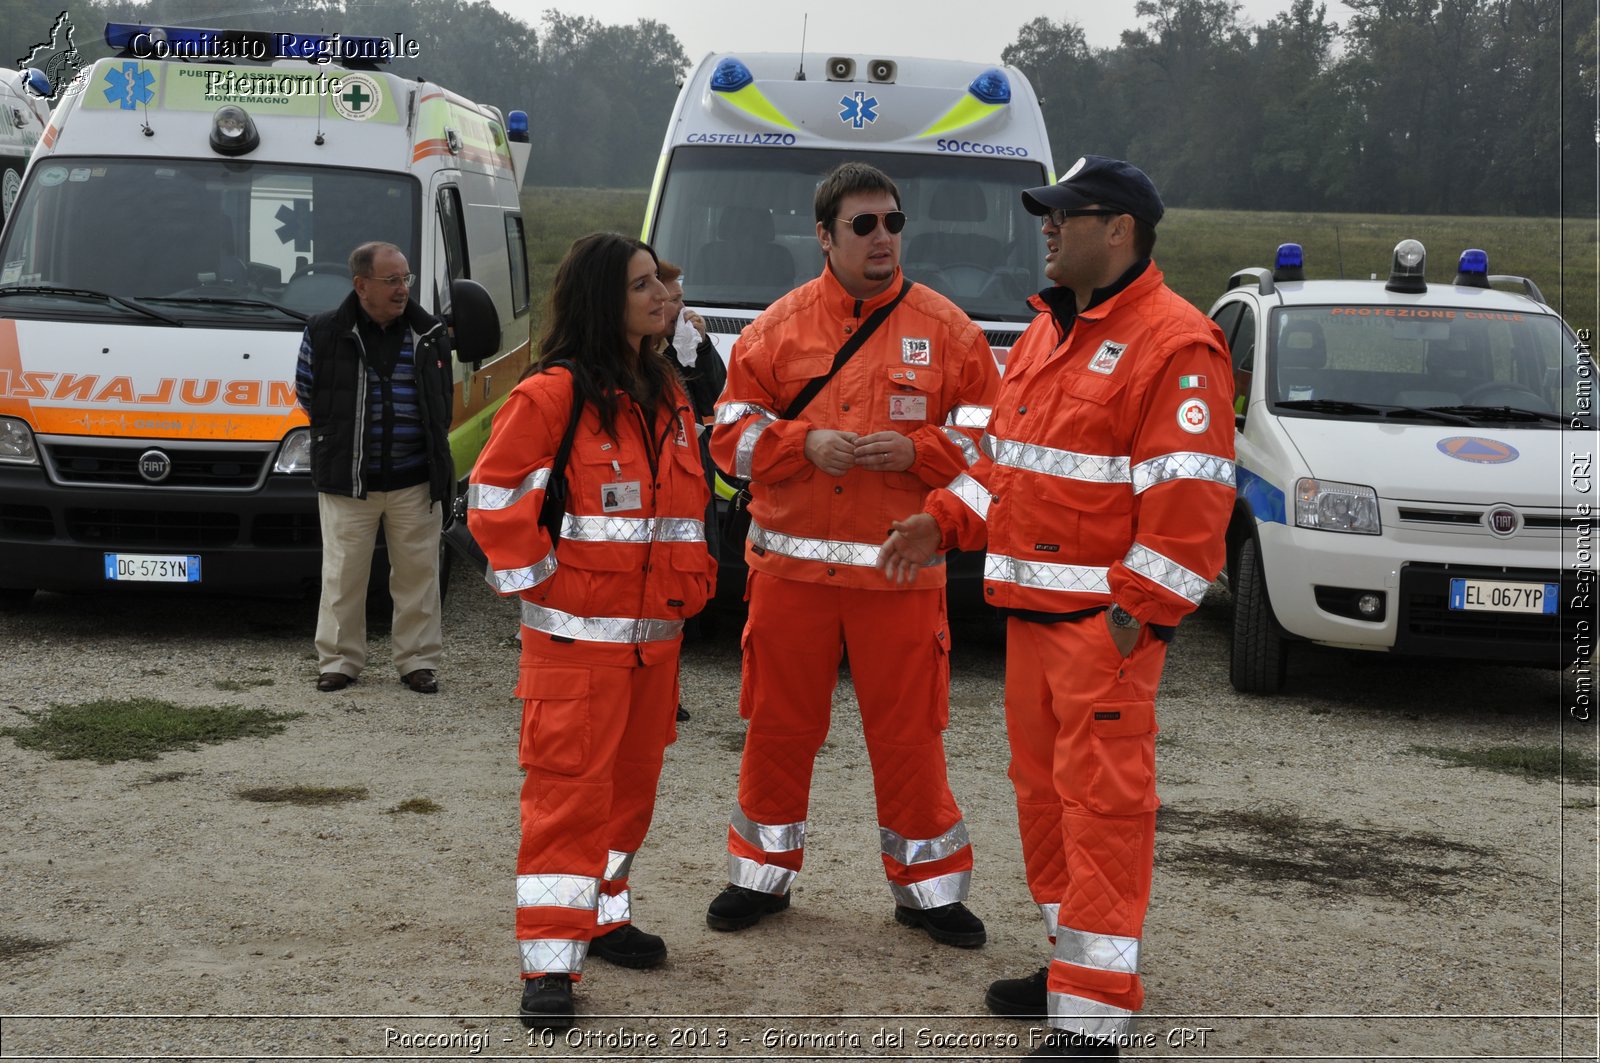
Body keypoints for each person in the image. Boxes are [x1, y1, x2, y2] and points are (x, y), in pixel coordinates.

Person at [878, 156, 1236, 1060]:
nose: (1046, 227)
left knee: (1104, 811)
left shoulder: (1176, 344)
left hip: (1098, 637)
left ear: (1118, 230)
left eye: (1064, 214)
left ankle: (1091, 1018)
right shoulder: (1046, 331)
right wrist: (943, 520)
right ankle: (1065, 963)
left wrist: (1132, 622)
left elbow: (1192, 510)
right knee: (1045, 805)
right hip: (1034, 629)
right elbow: (1009, 471)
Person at [706, 162, 1000, 947]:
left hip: (897, 577)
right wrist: (805, 443)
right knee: (776, 727)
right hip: (791, 578)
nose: (882, 238)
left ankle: (927, 891)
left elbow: (990, 445)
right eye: (864, 225)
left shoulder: (953, 333)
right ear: (824, 237)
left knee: (908, 735)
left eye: (893, 223)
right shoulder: (775, 329)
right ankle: (760, 878)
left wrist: (915, 452)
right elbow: (727, 437)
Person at [466, 233, 716, 1030]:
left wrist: (694, 583)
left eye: (661, 284)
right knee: (567, 802)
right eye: (642, 284)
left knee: (628, 796)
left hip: (654, 647)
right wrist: (545, 585)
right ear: (604, 298)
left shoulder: (668, 390)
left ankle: (603, 916)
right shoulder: (550, 395)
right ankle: (549, 962)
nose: (660, 296)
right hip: (576, 649)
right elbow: (493, 502)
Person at [294, 241, 453, 695]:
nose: (403, 289)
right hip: (349, 479)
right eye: (392, 280)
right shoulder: (324, 331)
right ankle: (340, 662)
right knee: (343, 574)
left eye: (406, 279)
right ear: (361, 285)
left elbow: (443, 400)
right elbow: (308, 393)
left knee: (418, 575)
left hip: (415, 478)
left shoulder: (431, 332)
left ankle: (417, 661)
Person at [656, 259, 728, 723]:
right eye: (675, 299)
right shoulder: (635, 355)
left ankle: (666, 688)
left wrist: (700, 348)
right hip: (651, 491)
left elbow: (717, 400)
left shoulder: (684, 345)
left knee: (679, 588)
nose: (685, 308)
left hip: (688, 481)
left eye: (683, 298)